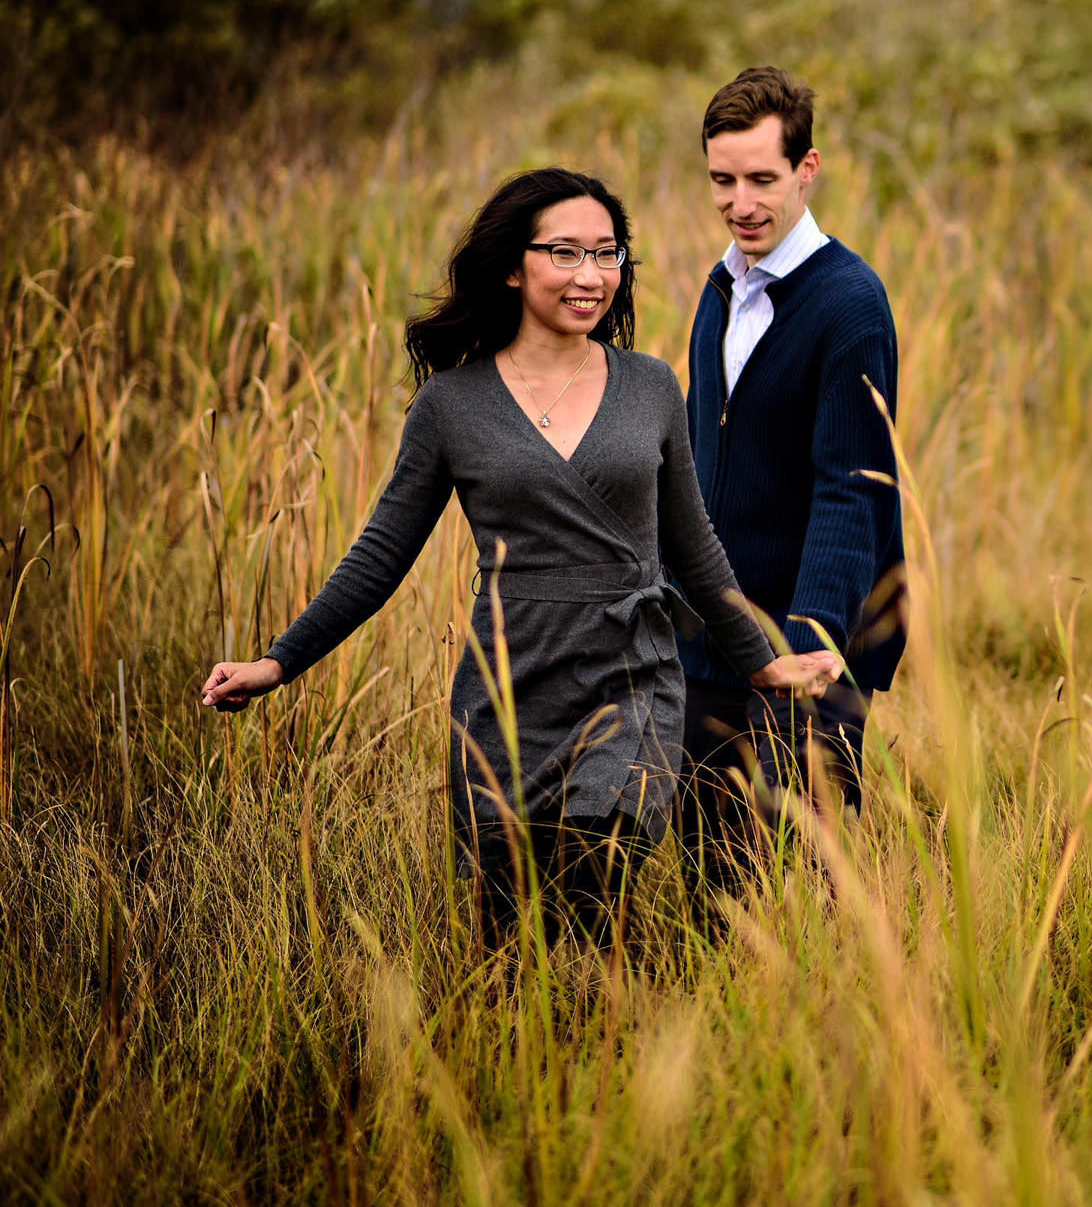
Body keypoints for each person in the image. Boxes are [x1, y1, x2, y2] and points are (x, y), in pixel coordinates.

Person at [198, 167, 814, 944]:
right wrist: (278, 662)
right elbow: (382, 554)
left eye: (608, 253)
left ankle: (603, 1032)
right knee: (513, 931)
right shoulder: (451, 406)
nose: (592, 276)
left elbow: (694, 549)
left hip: (630, 676)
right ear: (513, 267)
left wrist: (763, 664)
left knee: (595, 878)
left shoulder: (650, 387)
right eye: (566, 253)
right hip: (510, 687)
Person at [678, 66, 905, 894]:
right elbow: (701, 463)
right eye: (722, 180)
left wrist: (811, 647)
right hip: (712, 640)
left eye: (763, 180)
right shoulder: (721, 287)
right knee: (710, 885)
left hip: (809, 643)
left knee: (796, 885)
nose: (741, 202)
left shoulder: (849, 303)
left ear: (807, 171)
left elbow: (855, 485)